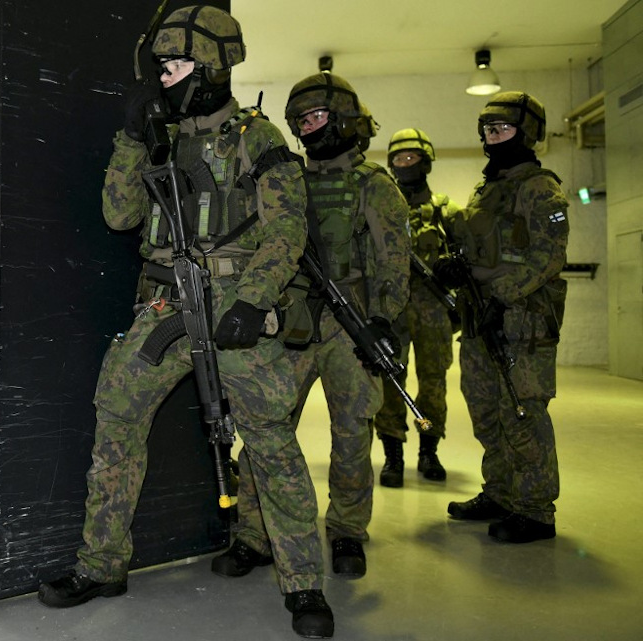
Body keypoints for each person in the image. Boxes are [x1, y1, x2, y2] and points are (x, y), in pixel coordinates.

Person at [38, 6, 334, 637]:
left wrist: (253, 301)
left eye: (173, 66)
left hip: (237, 308)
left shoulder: (258, 139)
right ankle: (102, 564)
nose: (163, 78)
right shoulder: (158, 135)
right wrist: (130, 138)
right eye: (161, 66)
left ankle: (304, 581)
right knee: (117, 412)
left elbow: (287, 229)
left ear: (211, 66)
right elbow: (119, 217)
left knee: (271, 442)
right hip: (168, 305)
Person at [212, 72, 410, 581]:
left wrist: (385, 320)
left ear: (345, 116)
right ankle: (255, 535)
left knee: (351, 433)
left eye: (317, 116)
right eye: (300, 120)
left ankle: (346, 530)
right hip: (292, 322)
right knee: (267, 428)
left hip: (352, 323)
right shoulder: (287, 178)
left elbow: (393, 264)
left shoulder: (374, 186)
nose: (308, 126)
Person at [434, 91, 568, 543]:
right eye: (488, 131)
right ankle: (501, 492)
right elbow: (482, 248)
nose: (493, 138)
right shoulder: (487, 188)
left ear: (527, 133)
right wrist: (457, 269)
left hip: (521, 323)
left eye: (502, 129)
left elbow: (550, 256)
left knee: (523, 414)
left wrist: (505, 295)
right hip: (480, 320)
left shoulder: (540, 188)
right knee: (486, 411)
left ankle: (535, 509)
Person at [374, 129, 462, 488]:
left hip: (433, 308)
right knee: (390, 382)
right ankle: (393, 454)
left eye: (411, 158)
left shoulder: (446, 210)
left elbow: (469, 259)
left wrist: (453, 269)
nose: (404, 164)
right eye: (398, 158)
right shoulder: (380, 210)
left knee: (433, 383)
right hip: (392, 307)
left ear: (425, 162)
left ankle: (429, 450)